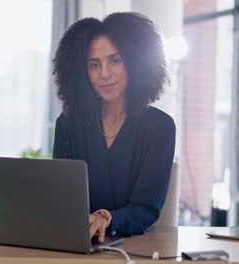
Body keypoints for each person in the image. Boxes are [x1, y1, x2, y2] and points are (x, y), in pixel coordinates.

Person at [52, 12, 176, 242]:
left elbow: (146, 208)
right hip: (77, 245)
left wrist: (107, 219)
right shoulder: (68, 123)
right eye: (94, 65)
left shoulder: (160, 127)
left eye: (115, 60)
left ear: (136, 61)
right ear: (81, 72)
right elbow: (61, 199)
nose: (104, 74)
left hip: (135, 248)